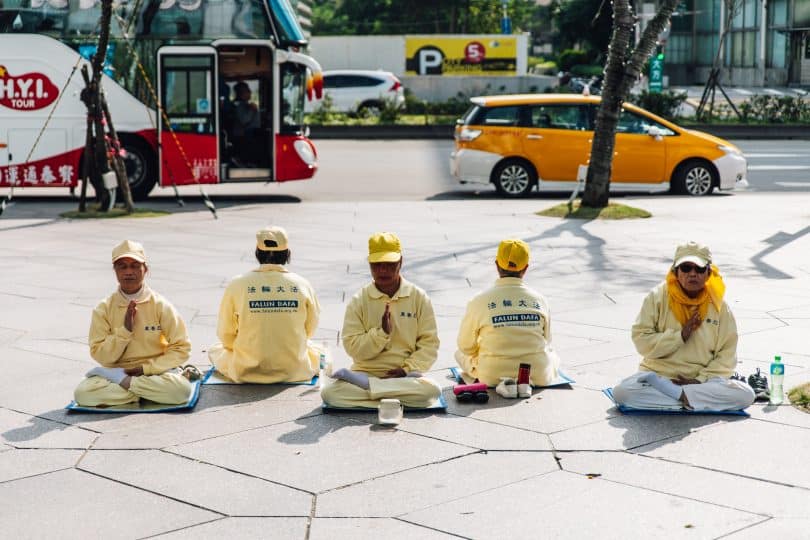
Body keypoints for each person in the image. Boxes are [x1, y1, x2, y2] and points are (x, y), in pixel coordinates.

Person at [612, 241, 755, 411]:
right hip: (658, 376)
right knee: (622, 392)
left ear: (709, 273)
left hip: (702, 380)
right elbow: (641, 341)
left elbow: (727, 354)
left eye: (699, 269)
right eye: (686, 268)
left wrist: (699, 380)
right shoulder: (657, 297)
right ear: (676, 272)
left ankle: (679, 396)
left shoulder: (720, 306)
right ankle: (691, 399)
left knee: (746, 395)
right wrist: (680, 336)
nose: (692, 274)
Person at [321, 232, 441, 408]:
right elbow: (353, 348)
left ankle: (371, 391)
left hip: (405, 375)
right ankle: (392, 397)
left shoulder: (419, 297)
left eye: (390, 264)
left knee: (432, 390)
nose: (383, 270)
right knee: (330, 393)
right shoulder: (359, 300)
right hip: (365, 372)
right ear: (369, 264)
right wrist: (381, 333)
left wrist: (406, 369)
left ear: (401, 262)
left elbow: (429, 345)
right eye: (377, 265)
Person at [73, 240, 194, 407]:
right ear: (115, 271)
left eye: (134, 265)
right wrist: (124, 332)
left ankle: (128, 388)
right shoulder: (103, 308)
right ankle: (146, 393)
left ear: (145, 269)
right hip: (116, 372)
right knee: (83, 394)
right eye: (122, 266)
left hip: (155, 371)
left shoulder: (161, 305)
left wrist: (146, 369)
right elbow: (100, 355)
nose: (128, 272)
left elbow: (181, 348)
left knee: (181, 390)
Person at [208, 226, 322, 383]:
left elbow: (225, 334)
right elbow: (310, 329)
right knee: (319, 351)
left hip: (245, 369)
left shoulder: (237, 284)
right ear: (287, 253)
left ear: (257, 253)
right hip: (294, 369)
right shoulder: (302, 284)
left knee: (215, 350)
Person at [454, 239, 560, 397]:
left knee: (459, 353)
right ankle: (525, 382)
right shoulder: (540, 300)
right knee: (553, 355)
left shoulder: (479, 301)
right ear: (525, 268)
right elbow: (547, 339)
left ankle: (504, 381)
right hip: (538, 373)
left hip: (490, 374)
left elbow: (465, 346)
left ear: (497, 265)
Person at [229, 81, 261, 167]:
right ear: (241, 93)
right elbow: (244, 120)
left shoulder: (246, 105)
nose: (250, 92)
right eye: (247, 90)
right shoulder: (239, 105)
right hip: (244, 135)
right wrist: (252, 109)